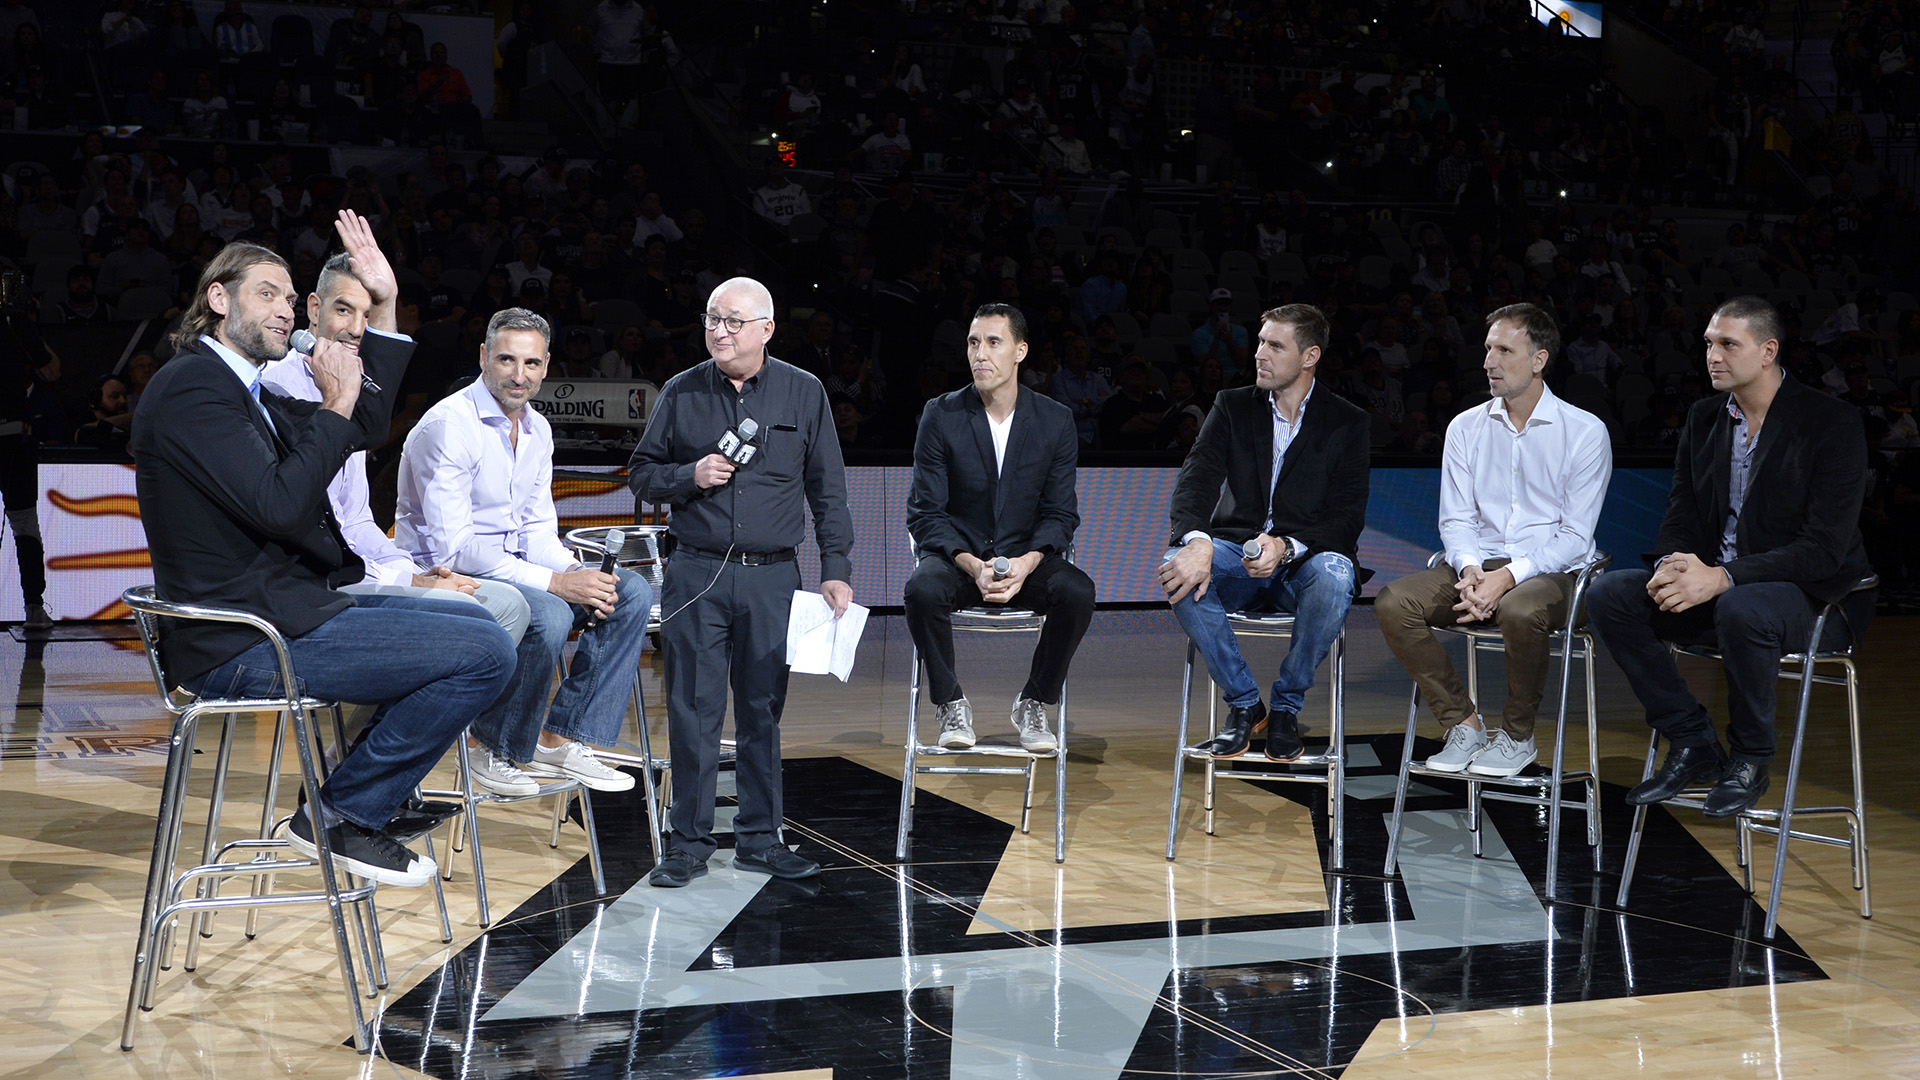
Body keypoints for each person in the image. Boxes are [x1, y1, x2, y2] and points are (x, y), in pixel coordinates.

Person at [130, 222, 517, 886]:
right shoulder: (194, 389)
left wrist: (386, 305)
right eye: (267, 294)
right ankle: (344, 812)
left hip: (280, 613)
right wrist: (335, 401)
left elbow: (362, 425)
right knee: (485, 653)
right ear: (218, 299)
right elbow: (280, 504)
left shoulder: (244, 390)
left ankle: (355, 801)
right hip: (241, 637)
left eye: (289, 295)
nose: (284, 309)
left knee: (484, 626)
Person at [1586, 296, 1876, 817]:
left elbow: (1822, 551)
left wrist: (1722, 577)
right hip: (1721, 593)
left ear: (1768, 351)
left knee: (1742, 607)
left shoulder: (1831, 422)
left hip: (1814, 600)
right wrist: (1672, 565)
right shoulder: (1704, 418)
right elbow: (1682, 514)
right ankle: (1692, 739)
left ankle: (1750, 759)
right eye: (1707, 344)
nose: (1712, 356)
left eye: (1727, 344)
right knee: (1611, 593)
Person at [260, 253, 534, 802]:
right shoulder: (279, 389)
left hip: (360, 564)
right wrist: (414, 584)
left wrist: (412, 571)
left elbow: (358, 518)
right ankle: (366, 779)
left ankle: (357, 766)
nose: (356, 329)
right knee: (485, 615)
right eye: (343, 309)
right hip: (314, 583)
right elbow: (323, 531)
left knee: (508, 606)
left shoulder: (351, 386)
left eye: (368, 314)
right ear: (312, 310)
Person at [628, 277, 853, 888]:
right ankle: (689, 843)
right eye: (711, 320)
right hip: (695, 571)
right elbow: (642, 475)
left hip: (773, 578)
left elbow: (828, 490)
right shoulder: (681, 391)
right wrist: (689, 474)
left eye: (732, 321)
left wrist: (836, 570)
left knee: (761, 711)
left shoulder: (803, 392)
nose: (719, 331)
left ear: (766, 329)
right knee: (693, 709)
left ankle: (759, 837)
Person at [395, 307, 652, 797]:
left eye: (531, 363)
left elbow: (536, 529)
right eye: (507, 360)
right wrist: (556, 584)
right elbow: (458, 548)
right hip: (444, 574)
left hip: (511, 567)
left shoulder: (537, 430)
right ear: (483, 357)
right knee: (550, 614)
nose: (519, 375)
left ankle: (560, 737)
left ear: (547, 365)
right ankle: (491, 748)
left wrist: (576, 573)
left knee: (630, 591)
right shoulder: (450, 425)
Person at [1375, 304, 1612, 777]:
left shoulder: (1585, 432)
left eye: (1504, 350)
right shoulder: (1465, 427)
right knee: (1393, 602)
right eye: (1487, 349)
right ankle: (1463, 724)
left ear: (1539, 359)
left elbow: (1573, 537)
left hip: (1555, 574)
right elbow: (1456, 519)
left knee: (1521, 608)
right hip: (1479, 567)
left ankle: (1518, 737)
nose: (1489, 361)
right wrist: (1469, 571)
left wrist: (1504, 578)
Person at [1159, 304, 1369, 760]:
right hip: (1237, 556)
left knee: (1335, 575)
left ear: (1310, 355)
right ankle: (1245, 704)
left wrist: (1287, 545)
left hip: (1304, 564)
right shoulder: (1232, 406)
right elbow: (1196, 479)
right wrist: (1195, 542)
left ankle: (1286, 708)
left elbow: (1346, 516)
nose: (1259, 353)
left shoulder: (1346, 421)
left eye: (1275, 345)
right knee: (1177, 568)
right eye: (1260, 342)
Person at [905, 303, 1094, 755]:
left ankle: (1034, 700)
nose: (980, 354)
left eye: (993, 342)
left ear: (1020, 351)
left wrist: (1028, 563)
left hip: (1026, 562)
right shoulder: (941, 414)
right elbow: (924, 512)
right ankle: (950, 702)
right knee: (922, 590)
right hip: (961, 560)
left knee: (1077, 591)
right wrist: (971, 565)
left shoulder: (1054, 420)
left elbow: (1060, 514)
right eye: (973, 343)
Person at [0, 302, 59, 627]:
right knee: (24, 525)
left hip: (13, 437)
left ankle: (35, 607)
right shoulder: (14, 321)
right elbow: (52, 371)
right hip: (12, 437)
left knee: (24, 524)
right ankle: (34, 608)